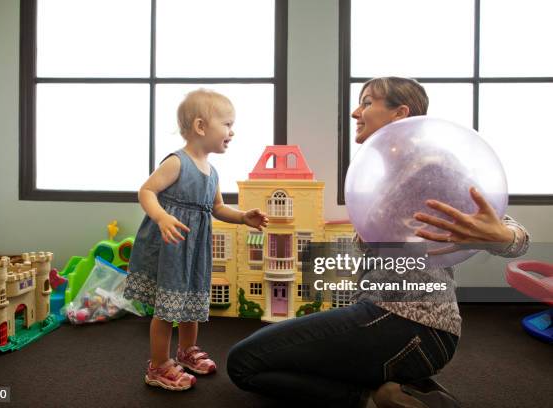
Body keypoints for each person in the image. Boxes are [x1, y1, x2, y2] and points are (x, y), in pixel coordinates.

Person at [226, 77, 529, 408]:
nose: (356, 112)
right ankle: (405, 386)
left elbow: (507, 227)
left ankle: (375, 398)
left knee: (243, 364)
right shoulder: (385, 175)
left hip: (410, 325)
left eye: (368, 102)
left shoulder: (430, 164)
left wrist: (502, 234)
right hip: (395, 322)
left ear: (400, 113)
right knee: (279, 356)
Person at [124, 89, 269, 391]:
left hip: (195, 250)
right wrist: (162, 217)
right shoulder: (177, 162)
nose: (233, 131)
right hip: (172, 245)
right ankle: (158, 365)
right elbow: (146, 191)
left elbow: (216, 208)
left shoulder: (212, 172)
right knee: (167, 309)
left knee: (190, 303)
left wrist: (243, 217)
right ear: (201, 127)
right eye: (227, 124)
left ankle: (186, 352)